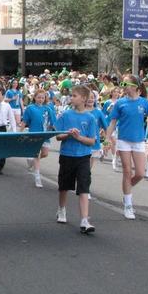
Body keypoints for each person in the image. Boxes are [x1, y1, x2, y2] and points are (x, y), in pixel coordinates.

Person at [105, 75, 148, 220]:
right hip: (123, 141)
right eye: (122, 83)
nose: (123, 86)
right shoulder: (120, 103)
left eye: (125, 83)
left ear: (135, 87)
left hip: (138, 141)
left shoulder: (144, 103)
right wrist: (107, 139)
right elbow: (112, 122)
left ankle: (126, 190)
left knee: (140, 173)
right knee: (127, 171)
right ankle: (128, 204)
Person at [55, 85, 98, 233]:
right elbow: (58, 136)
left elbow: (92, 141)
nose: (71, 98)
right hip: (67, 155)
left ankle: (84, 220)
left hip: (83, 157)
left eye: (74, 96)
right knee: (64, 186)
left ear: (84, 99)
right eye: (71, 95)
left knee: (84, 187)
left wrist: (78, 137)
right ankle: (61, 209)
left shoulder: (90, 118)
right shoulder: (66, 115)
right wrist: (68, 134)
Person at [21, 89, 56, 188]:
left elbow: (54, 122)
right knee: (36, 154)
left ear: (45, 98)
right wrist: (19, 132)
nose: (40, 99)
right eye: (39, 97)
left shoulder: (48, 108)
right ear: (35, 98)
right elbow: (24, 121)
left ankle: (31, 161)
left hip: (45, 135)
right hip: (34, 135)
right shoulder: (30, 108)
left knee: (45, 154)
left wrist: (57, 131)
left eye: (42, 97)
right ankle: (37, 177)